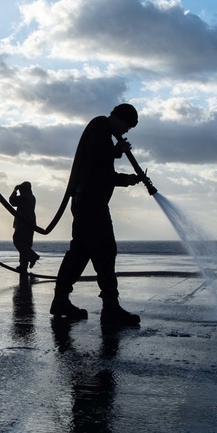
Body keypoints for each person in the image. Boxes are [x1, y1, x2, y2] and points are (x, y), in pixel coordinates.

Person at [51, 103, 144, 327]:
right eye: (127, 126)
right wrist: (117, 150)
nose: (126, 132)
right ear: (119, 119)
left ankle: (61, 301)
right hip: (91, 202)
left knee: (80, 253)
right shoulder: (101, 125)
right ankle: (110, 308)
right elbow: (96, 156)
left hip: (87, 200)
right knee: (106, 250)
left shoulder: (103, 132)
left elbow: (102, 173)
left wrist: (127, 180)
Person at [9, 181, 40, 273]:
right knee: (25, 244)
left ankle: (32, 256)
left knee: (18, 241)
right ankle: (23, 265)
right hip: (30, 223)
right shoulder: (31, 197)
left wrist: (15, 190)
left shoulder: (24, 197)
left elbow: (12, 201)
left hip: (23, 223)